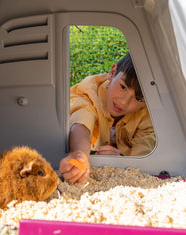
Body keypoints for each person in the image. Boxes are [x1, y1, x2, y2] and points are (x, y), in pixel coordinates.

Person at [59, 53, 156, 184]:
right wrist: (80, 154)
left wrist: (121, 160)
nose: (123, 102)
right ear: (112, 72)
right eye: (123, 87)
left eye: (138, 99)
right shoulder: (88, 91)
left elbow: (145, 153)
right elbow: (80, 121)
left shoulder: (148, 114)